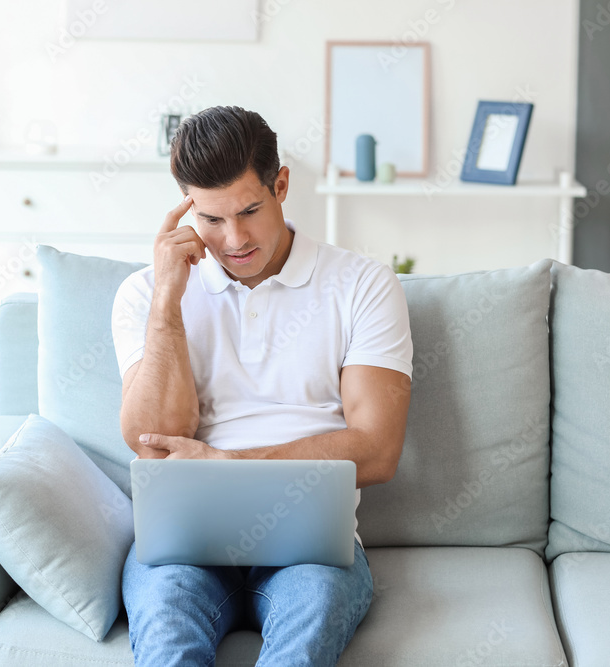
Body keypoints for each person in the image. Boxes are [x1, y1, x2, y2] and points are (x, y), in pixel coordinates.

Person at [110, 105, 414, 666]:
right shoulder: (145, 294)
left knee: (309, 623)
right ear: (185, 208)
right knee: (167, 636)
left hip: (310, 548)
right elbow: (154, 439)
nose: (234, 239)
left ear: (282, 185)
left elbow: (377, 449)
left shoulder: (362, 285)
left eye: (249, 210)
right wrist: (167, 304)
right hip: (186, 543)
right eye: (211, 219)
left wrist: (231, 464)